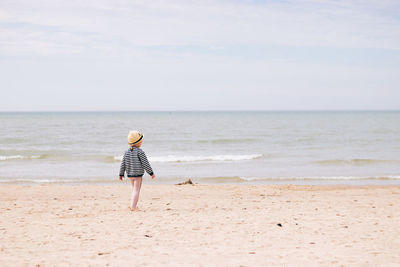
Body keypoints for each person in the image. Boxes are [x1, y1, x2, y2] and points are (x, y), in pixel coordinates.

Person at [119, 130, 155, 211]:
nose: (142, 142)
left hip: (130, 175)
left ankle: (133, 205)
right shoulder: (140, 152)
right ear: (137, 142)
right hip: (138, 175)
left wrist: (121, 174)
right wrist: (151, 173)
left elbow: (123, 164)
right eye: (141, 140)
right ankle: (133, 206)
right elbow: (145, 163)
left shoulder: (126, 152)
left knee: (134, 190)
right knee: (136, 190)